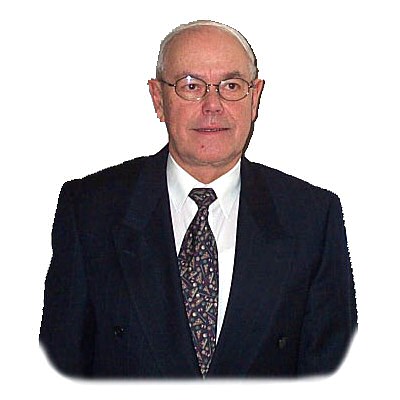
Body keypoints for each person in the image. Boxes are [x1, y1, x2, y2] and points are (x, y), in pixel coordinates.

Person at [40, 20, 357, 378]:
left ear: (255, 98)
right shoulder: (90, 211)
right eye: (191, 86)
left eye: (231, 86)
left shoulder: (312, 218)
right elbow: (61, 369)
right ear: (158, 99)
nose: (212, 105)